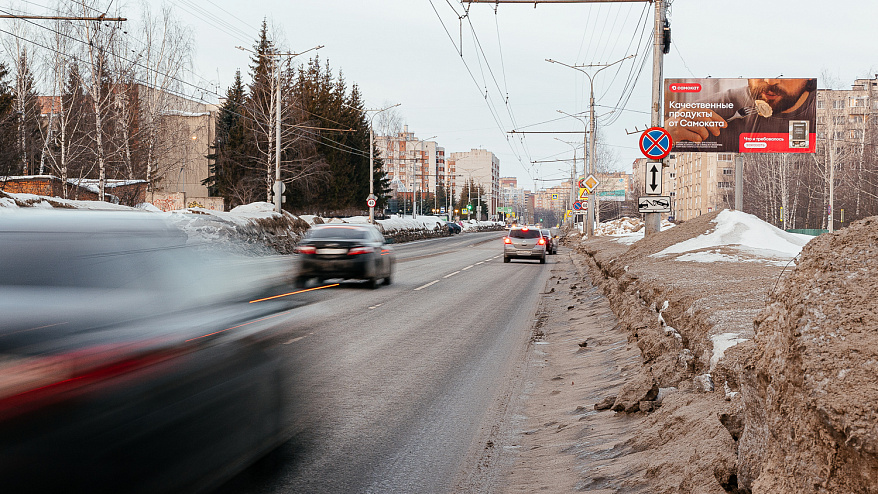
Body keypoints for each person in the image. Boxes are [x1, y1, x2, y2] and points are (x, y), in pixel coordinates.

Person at [665, 78, 817, 152]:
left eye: (785, 73)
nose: (770, 81)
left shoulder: (824, 112)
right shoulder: (708, 112)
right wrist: (666, 138)